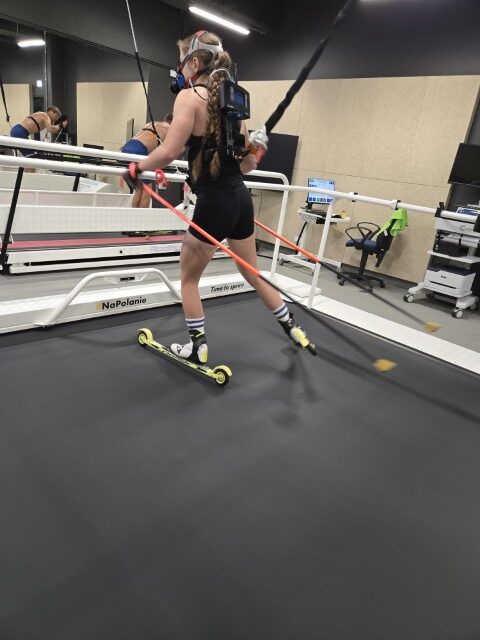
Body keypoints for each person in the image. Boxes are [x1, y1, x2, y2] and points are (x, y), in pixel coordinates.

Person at [126, 30, 312, 364]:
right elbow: (247, 167)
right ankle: (292, 326)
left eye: (182, 62)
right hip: (240, 200)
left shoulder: (189, 97)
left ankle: (198, 348)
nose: (180, 70)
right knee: (253, 273)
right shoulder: (233, 103)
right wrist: (255, 150)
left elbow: (169, 151)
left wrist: (136, 167)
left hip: (215, 203)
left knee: (188, 280)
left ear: (196, 62)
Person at [121, 118, 171, 208]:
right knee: (147, 190)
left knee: (139, 189)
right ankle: (142, 217)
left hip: (126, 147)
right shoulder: (168, 130)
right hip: (139, 150)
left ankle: (134, 216)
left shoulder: (152, 123)